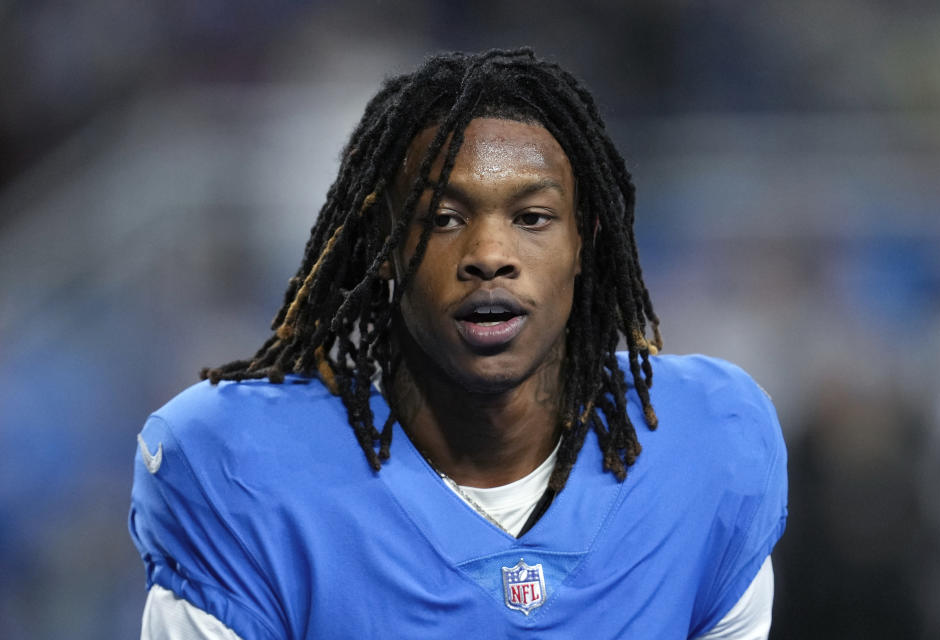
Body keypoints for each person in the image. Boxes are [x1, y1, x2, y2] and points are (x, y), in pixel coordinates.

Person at [129, 48, 787, 639]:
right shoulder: (240, 469)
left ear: (583, 238)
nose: (490, 255)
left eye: (532, 218)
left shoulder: (707, 446)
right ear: (383, 242)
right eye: (443, 219)